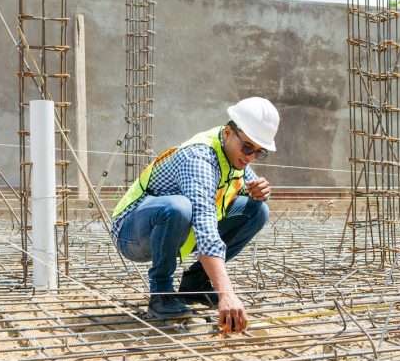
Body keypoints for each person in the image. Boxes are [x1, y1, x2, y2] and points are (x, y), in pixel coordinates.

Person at [110, 97, 279, 334]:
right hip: (130, 232)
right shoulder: (199, 158)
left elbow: (251, 191)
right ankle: (161, 294)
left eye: (259, 152)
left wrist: (262, 191)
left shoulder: (234, 157)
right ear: (228, 132)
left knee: (258, 209)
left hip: (171, 230)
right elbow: (205, 225)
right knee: (178, 207)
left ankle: (196, 284)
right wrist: (227, 294)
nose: (251, 157)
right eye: (248, 147)